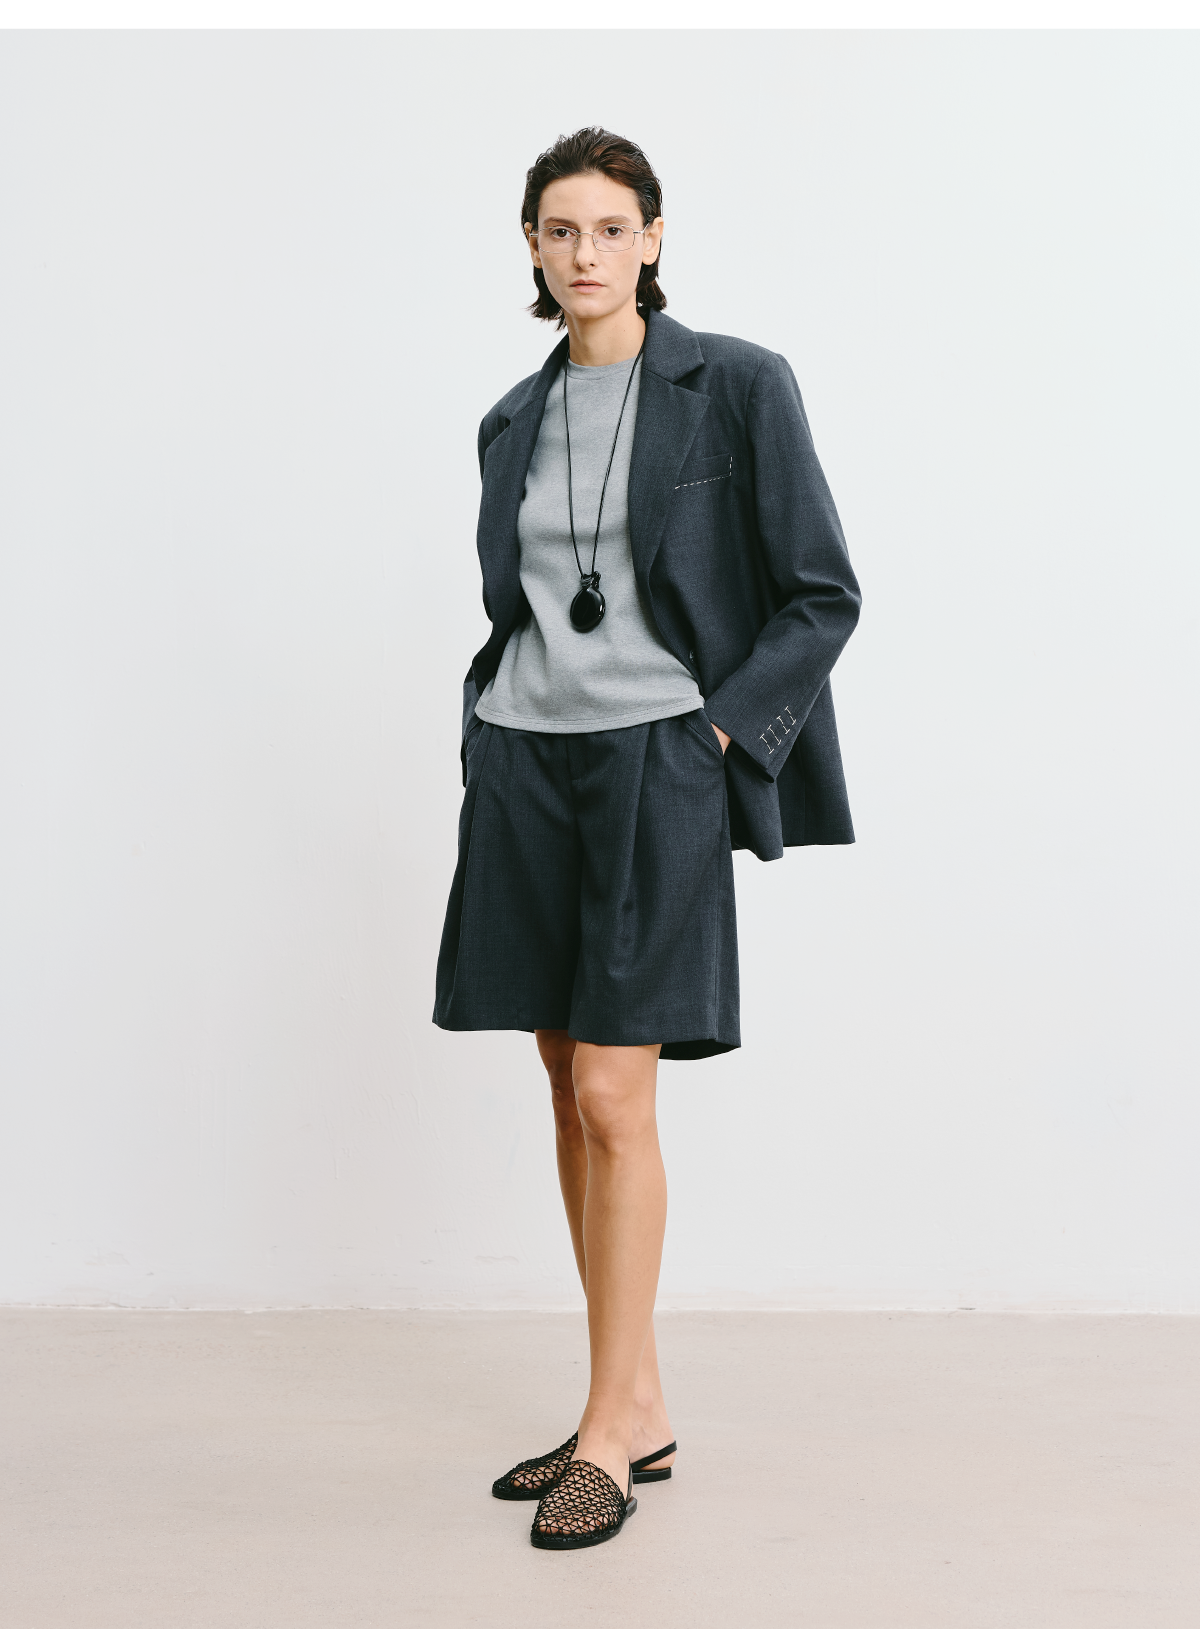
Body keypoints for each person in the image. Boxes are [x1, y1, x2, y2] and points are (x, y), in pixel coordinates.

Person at [433, 127, 860, 1550]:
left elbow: (822, 592)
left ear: (654, 240)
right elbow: (517, 605)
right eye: (560, 230)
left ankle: (606, 1435)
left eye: (611, 228)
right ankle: (639, 1402)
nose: (586, 253)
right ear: (532, 248)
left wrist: (716, 736)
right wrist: (484, 730)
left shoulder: (733, 384)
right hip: (525, 763)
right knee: (567, 1087)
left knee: (620, 1095)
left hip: (656, 766)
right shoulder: (510, 418)